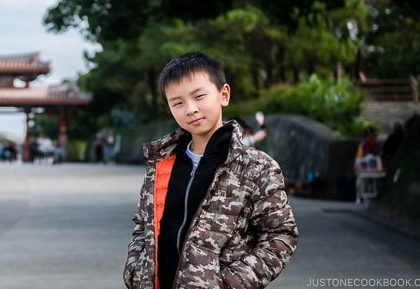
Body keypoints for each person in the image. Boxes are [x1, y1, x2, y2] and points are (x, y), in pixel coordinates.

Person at [123, 52, 298, 289]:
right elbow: (142, 226)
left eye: (199, 96)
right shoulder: (161, 163)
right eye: (178, 103)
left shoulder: (256, 167)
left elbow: (280, 235)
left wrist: (229, 283)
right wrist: (135, 271)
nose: (190, 109)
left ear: (223, 94)